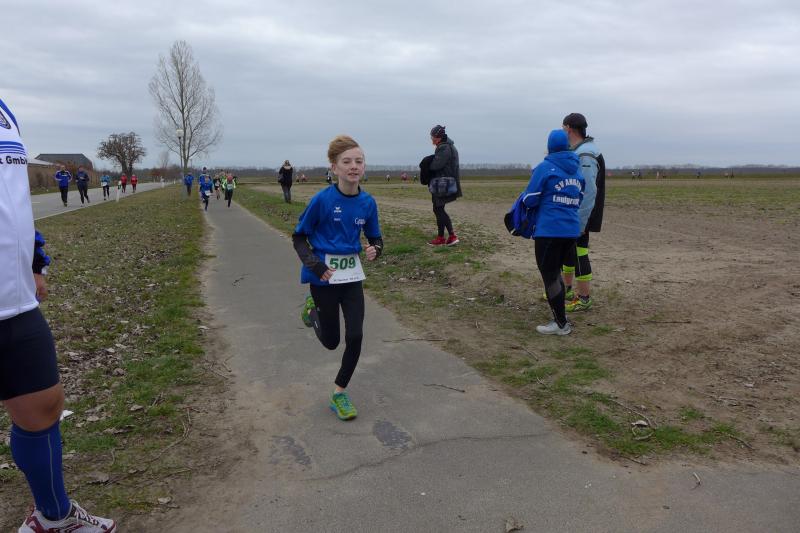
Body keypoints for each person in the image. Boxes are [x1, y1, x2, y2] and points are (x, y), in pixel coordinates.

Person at [0, 96, 117, 532]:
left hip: (15, 303)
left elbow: (13, 199)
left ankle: (54, 516)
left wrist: (34, 260)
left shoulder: (5, 114)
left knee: (42, 406)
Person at [293, 135, 383, 421]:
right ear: (334, 168)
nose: (354, 166)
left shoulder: (368, 203)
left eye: (359, 161)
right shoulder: (322, 200)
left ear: (364, 166)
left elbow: (376, 237)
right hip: (323, 279)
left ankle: (339, 393)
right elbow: (299, 238)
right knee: (332, 341)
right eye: (347, 162)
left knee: (355, 336)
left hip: (352, 277)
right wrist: (315, 265)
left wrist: (375, 249)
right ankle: (312, 310)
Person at [523, 129, 584, 335]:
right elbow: (579, 198)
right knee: (556, 273)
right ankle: (560, 318)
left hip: (549, 230)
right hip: (571, 230)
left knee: (549, 276)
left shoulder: (544, 168)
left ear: (549, 147)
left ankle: (561, 324)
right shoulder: (577, 170)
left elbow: (529, 199)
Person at [561, 113, 606, 313]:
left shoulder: (586, 153)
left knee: (580, 252)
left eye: (563, 127)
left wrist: (580, 222)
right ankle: (566, 289)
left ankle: (584, 298)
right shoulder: (578, 150)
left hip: (582, 215)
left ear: (569, 128)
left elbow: (589, 191)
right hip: (574, 213)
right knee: (568, 250)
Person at [424, 124, 461, 246]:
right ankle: (443, 237)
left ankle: (450, 236)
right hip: (445, 183)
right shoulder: (447, 146)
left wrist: (427, 163)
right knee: (438, 208)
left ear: (439, 137)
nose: (432, 139)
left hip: (443, 184)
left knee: (438, 209)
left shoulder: (444, 147)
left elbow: (436, 165)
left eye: (433, 137)